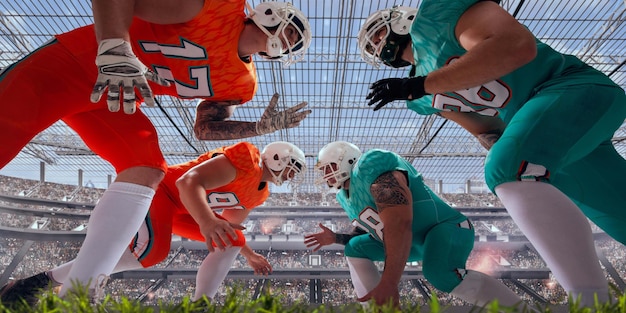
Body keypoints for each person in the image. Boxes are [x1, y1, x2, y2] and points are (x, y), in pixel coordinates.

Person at [0, 0, 312, 297]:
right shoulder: (220, 9)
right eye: (291, 32)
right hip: (75, 64)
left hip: (116, 98)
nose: (288, 42)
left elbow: (203, 128)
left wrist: (257, 128)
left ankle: (78, 293)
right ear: (272, 13)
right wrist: (115, 48)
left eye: (294, 43)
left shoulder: (241, 83)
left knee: (146, 167)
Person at [357, 2, 626, 306]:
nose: (378, 44)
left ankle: (591, 302)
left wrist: (421, 84)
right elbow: (483, 126)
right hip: (552, 130)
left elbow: (516, 46)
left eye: (378, 33)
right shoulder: (417, 97)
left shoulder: (436, 20)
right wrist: (421, 89)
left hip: (569, 88)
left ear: (403, 20)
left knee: (507, 167)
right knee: (619, 214)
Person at [0, 141, 307, 306]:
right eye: (292, 167)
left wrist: (250, 254)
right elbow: (189, 182)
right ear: (277, 158)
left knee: (234, 239)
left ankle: (201, 304)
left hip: (184, 211)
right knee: (151, 253)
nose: (291, 176)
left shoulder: (259, 193)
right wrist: (205, 222)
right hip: (162, 192)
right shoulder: (247, 161)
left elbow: (230, 227)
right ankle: (41, 282)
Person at [305, 141, 523, 309]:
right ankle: (377, 309)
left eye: (328, 167)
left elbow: (399, 222)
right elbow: (371, 231)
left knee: (439, 273)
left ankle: (521, 310)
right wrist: (336, 239)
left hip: (444, 228)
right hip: (409, 244)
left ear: (348, 160)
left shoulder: (369, 165)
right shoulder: (344, 197)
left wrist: (389, 283)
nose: (325, 174)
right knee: (355, 248)